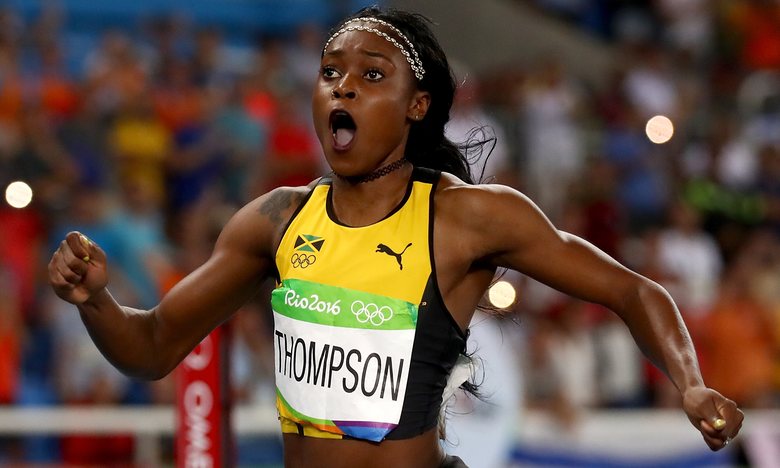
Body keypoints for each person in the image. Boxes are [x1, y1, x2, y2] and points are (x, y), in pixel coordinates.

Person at [48, 7, 743, 468]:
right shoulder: (276, 220)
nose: (342, 89)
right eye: (330, 73)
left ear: (417, 105)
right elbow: (152, 348)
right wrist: (95, 302)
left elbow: (633, 290)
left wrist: (690, 385)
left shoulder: (468, 218)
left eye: (371, 76)